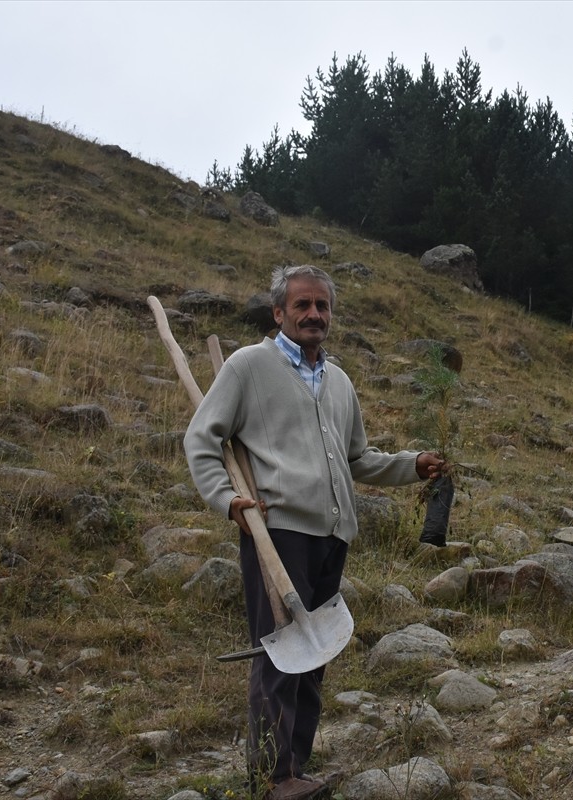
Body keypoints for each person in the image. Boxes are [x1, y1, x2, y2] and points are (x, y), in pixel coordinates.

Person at [184, 264, 444, 800]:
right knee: (281, 655)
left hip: (332, 535)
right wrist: (226, 499)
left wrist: (410, 466)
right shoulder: (249, 367)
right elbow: (202, 438)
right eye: (302, 305)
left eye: (322, 306)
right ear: (278, 312)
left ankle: (295, 770)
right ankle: (271, 779)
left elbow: (357, 458)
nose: (313, 315)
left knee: (315, 657)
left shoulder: (339, 381)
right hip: (275, 531)